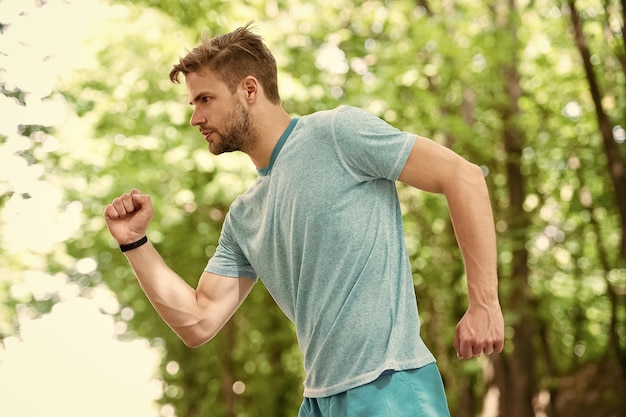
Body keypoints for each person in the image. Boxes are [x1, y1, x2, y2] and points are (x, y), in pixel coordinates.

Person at [104, 24, 504, 416]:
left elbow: (463, 176)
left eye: (204, 99)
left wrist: (484, 304)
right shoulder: (245, 215)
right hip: (319, 401)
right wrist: (134, 243)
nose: (195, 118)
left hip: (388, 387)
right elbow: (198, 321)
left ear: (249, 89)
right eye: (194, 103)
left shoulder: (337, 134)